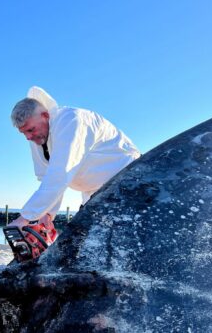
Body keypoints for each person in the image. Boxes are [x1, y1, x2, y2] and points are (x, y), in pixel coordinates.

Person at [8, 86, 140, 230]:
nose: (28, 137)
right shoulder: (37, 137)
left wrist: (24, 218)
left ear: (45, 115)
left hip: (128, 180)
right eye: (23, 133)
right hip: (94, 192)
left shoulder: (70, 120)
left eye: (30, 129)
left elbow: (60, 174)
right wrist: (47, 214)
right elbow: (47, 178)